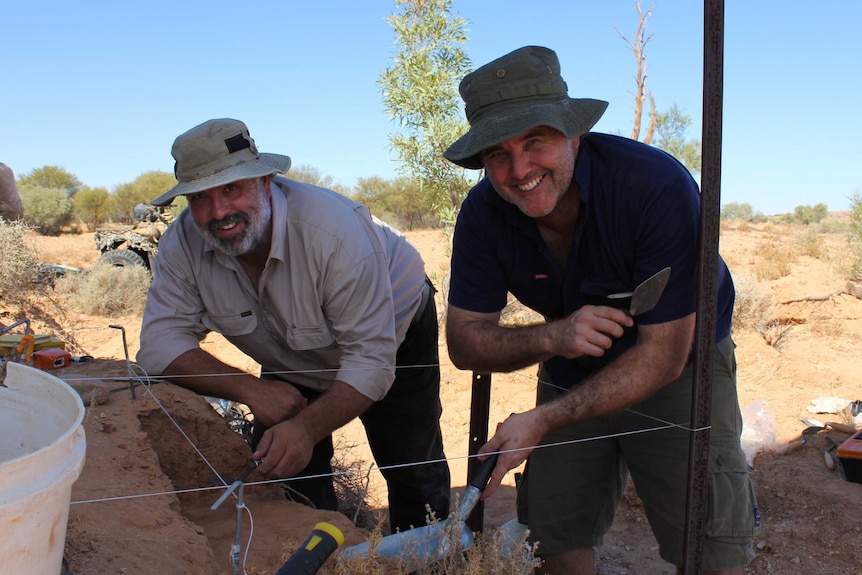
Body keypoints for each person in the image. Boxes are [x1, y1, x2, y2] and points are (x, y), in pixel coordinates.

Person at [443, 46, 757, 574]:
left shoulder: (653, 185)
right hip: (571, 363)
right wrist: (553, 338)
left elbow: (663, 356)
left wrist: (542, 419)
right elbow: (463, 341)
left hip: (680, 363)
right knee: (554, 532)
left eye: (534, 142)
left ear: (573, 133)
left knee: (706, 537)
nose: (519, 169)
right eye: (497, 153)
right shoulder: (482, 215)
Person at [136, 118, 450, 532]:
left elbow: (370, 362)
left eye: (232, 188)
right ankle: (321, 551)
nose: (219, 212)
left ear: (265, 180)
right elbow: (158, 346)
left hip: (393, 328)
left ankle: (431, 557)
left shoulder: (332, 231)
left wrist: (306, 426)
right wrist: (251, 389)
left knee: (409, 461)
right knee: (284, 471)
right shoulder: (182, 244)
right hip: (289, 349)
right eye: (199, 197)